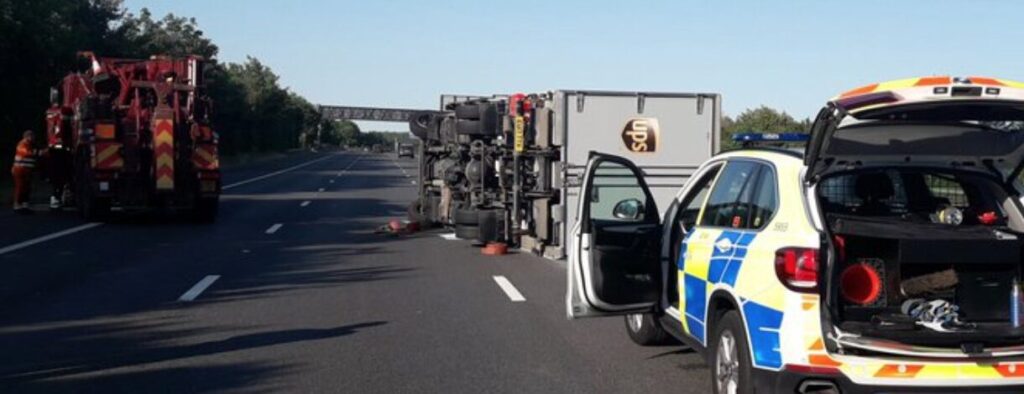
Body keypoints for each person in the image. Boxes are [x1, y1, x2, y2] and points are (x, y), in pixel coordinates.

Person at [11, 130, 40, 213]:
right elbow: (26, 153)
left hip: (27, 170)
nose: (33, 138)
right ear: (27, 137)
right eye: (31, 136)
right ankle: (17, 205)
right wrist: (38, 152)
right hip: (20, 170)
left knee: (27, 188)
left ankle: (25, 205)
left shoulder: (31, 145)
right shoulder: (22, 144)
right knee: (20, 187)